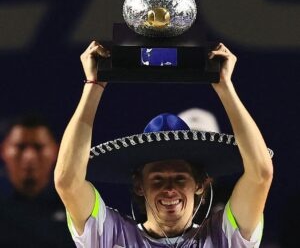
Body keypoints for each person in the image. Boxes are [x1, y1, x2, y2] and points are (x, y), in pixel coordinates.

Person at [54, 41, 274, 247]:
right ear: (139, 186)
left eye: (180, 178)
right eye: (157, 179)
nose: (170, 189)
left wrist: (226, 87)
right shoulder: (111, 235)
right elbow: (67, 181)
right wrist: (93, 85)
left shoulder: (224, 236)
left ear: (200, 184)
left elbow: (261, 173)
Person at [0, 114, 75, 247]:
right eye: (20, 147)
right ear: (3, 150)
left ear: (56, 151)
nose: (30, 156)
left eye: (38, 147)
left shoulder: (77, 209)